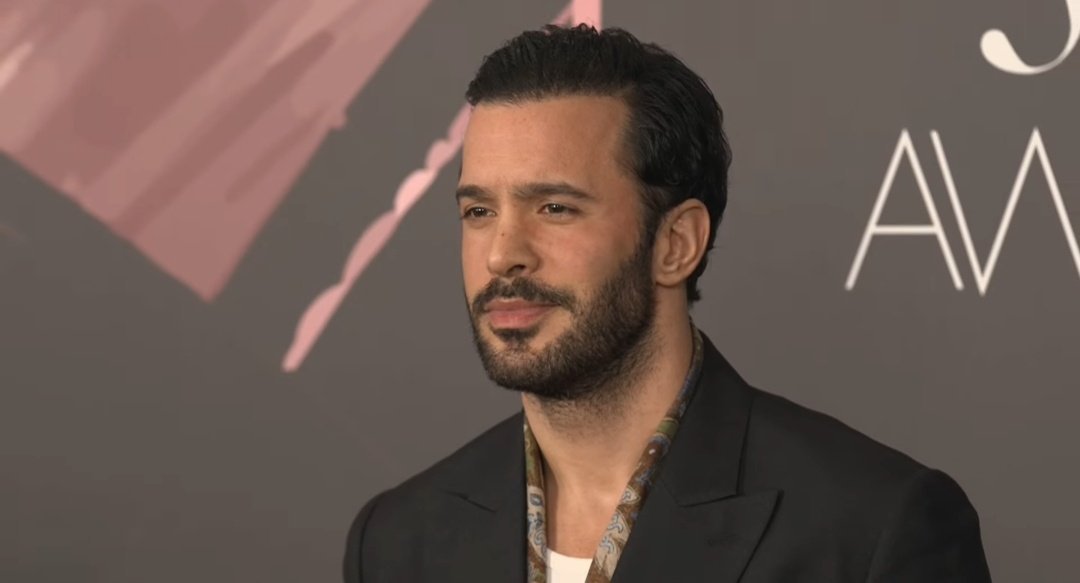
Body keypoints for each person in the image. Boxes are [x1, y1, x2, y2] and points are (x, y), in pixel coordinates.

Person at [343, 24, 991, 583]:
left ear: (676, 243)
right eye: (479, 211)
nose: (502, 254)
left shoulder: (871, 528)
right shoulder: (397, 541)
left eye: (555, 207)